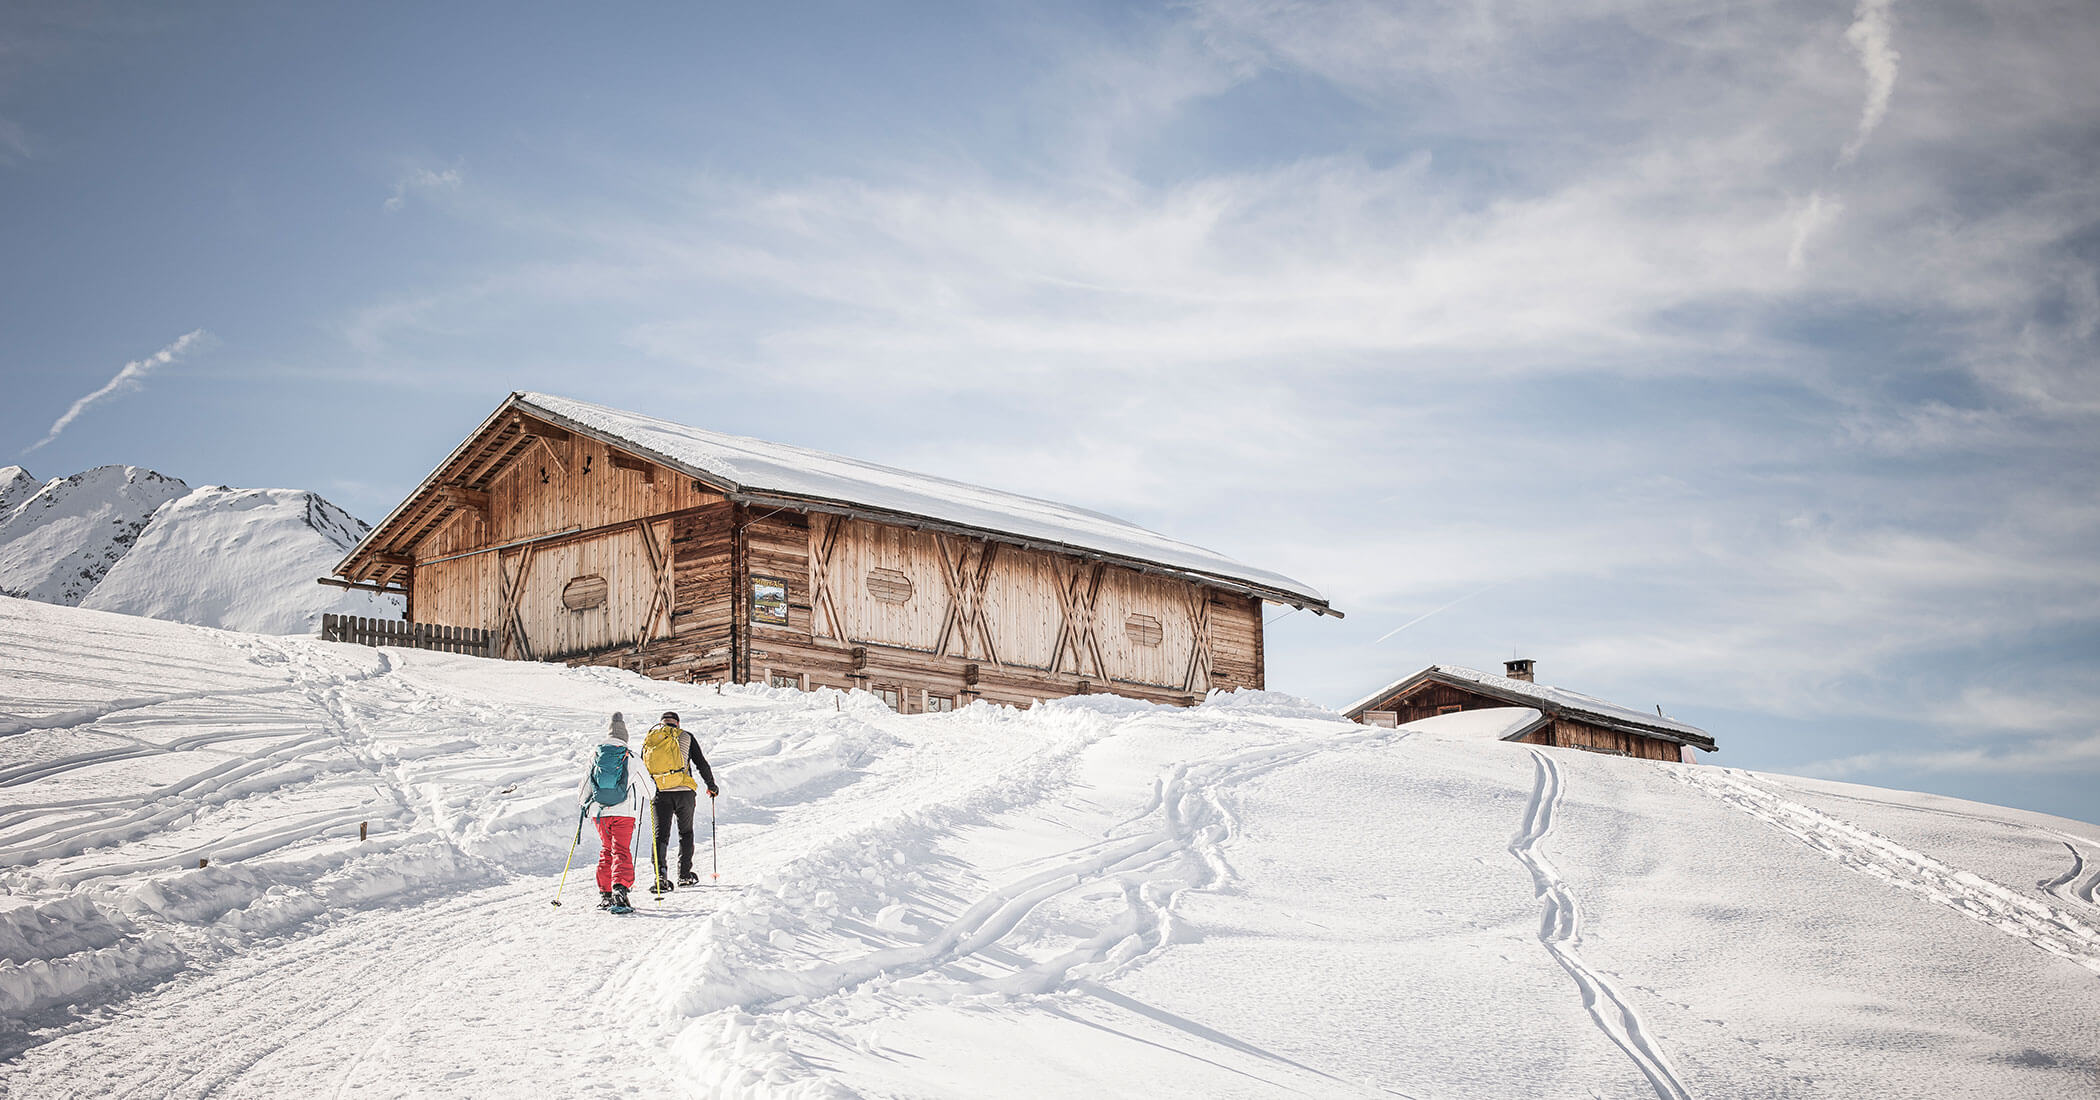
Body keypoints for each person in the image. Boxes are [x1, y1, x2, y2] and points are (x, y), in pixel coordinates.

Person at [576, 712, 655, 912]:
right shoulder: (631, 757)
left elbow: (584, 787)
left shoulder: (596, 754)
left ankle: (605, 895)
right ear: (625, 737)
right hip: (623, 812)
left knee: (606, 849)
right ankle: (620, 890)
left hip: (599, 813)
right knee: (620, 849)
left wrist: (585, 804)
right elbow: (649, 790)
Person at [641, 710, 718, 893]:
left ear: (661, 723)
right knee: (686, 832)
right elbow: (701, 763)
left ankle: (660, 877)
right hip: (684, 792)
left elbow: (643, 768)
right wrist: (711, 785)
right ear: (678, 723)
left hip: (660, 793)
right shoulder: (686, 736)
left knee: (660, 836)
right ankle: (684, 875)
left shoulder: (652, 739)